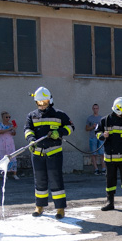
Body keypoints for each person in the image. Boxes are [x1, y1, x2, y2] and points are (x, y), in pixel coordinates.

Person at [24, 86, 74, 219]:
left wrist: (60, 132)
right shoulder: (32, 115)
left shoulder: (59, 114)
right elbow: (28, 129)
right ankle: (39, 206)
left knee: (56, 180)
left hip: (54, 152)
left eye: (44, 102)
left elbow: (70, 127)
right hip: (38, 153)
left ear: (50, 101)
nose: (41, 105)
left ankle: (60, 208)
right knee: (39, 180)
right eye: (38, 103)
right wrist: (31, 140)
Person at [0, 111, 19, 180]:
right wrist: (9, 129)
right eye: (6, 117)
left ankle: (14, 173)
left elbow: (13, 134)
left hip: (10, 142)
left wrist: (14, 130)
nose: (8, 118)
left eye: (9, 117)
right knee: (3, 156)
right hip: (2, 142)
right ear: (2, 117)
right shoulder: (0, 124)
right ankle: (4, 174)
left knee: (12, 156)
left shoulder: (11, 125)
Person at [85, 103, 106, 175]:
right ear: (92, 109)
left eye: (96, 108)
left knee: (102, 153)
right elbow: (86, 128)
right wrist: (92, 127)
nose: (95, 110)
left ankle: (103, 168)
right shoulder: (89, 118)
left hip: (100, 138)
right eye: (94, 108)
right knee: (94, 154)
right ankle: (96, 169)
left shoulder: (101, 118)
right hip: (92, 138)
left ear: (98, 109)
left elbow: (104, 128)